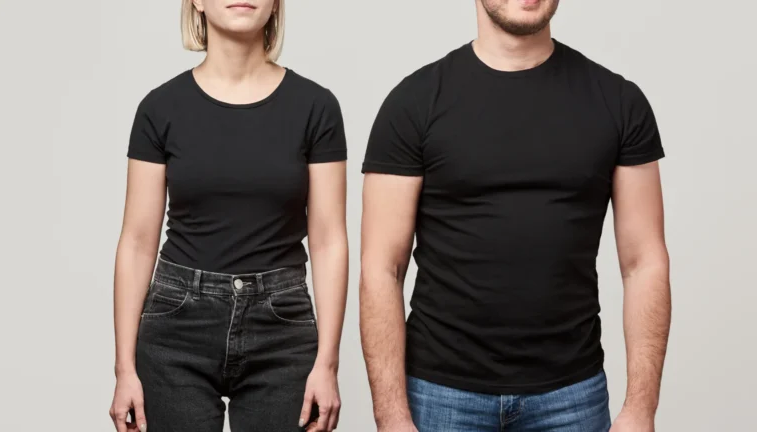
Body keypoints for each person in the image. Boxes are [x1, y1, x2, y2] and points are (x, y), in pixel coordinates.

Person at [360, 0, 670, 431]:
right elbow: (381, 268)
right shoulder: (413, 103)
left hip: (572, 395)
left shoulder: (618, 101)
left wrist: (641, 409)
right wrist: (391, 417)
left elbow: (644, 264)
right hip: (441, 395)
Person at [108, 1, 348, 431]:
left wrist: (327, 364)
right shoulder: (159, 108)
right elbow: (137, 240)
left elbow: (329, 240)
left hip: (282, 330)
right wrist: (124, 368)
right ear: (196, 2)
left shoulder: (317, 107)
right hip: (176, 329)